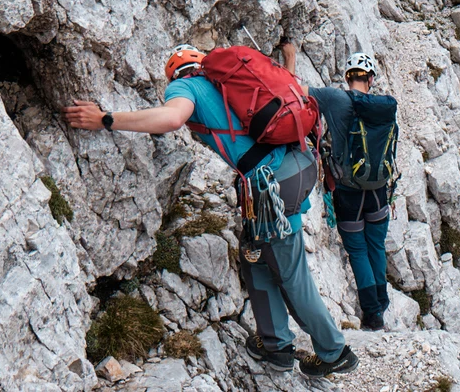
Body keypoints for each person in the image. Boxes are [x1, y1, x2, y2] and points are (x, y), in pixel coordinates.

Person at [62, 44, 359, 378]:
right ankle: (275, 344)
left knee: (291, 272)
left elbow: (172, 118)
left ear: (173, 75)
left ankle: (335, 352)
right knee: (256, 256)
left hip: (272, 182)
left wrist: (105, 119)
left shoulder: (186, 86)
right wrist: (289, 59)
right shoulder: (234, 82)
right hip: (298, 165)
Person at [281, 42, 394, 331]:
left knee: (357, 250)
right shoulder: (383, 108)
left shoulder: (333, 98)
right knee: (376, 245)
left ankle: (373, 314)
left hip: (348, 191)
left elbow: (290, 91)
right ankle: (381, 302)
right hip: (378, 190)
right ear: (371, 79)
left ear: (347, 77)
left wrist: (290, 57)